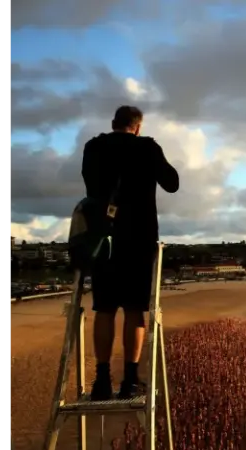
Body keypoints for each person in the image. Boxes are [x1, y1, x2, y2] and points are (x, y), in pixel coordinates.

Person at [82, 106, 179, 400]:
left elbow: (90, 184)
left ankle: (100, 381)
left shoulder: (94, 147)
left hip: (103, 238)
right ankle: (129, 380)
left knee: (105, 308)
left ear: (113, 123)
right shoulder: (147, 147)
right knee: (135, 310)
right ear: (137, 126)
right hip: (139, 238)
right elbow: (172, 184)